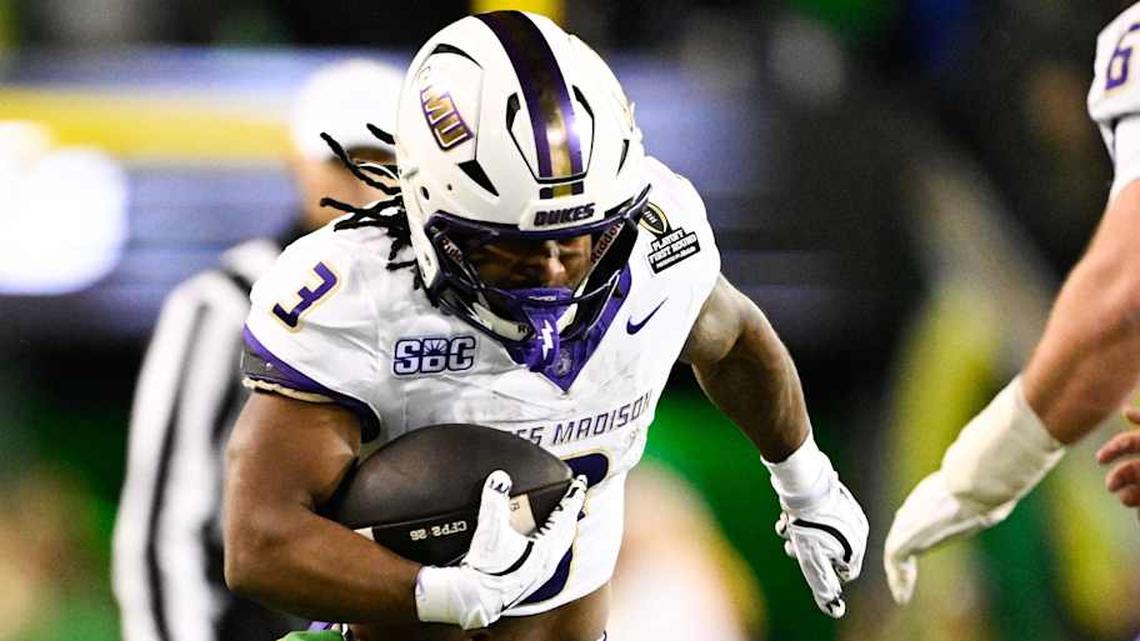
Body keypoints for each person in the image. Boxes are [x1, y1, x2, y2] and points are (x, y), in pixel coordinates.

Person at [223, 10, 869, 641]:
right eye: (515, 247)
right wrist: (439, 595)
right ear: (427, 212)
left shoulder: (658, 247)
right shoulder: (356, 295)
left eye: (579, 238)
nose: (555, 271)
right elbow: (259, 540)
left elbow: (732, 341)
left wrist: (807, 482)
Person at [112, 58, 403, 641]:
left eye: (384, 164)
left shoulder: (437, 305)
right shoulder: (225, 301)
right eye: (341, 161)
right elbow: (165, 525)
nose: (364, 182)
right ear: (297, 164)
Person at [883, 2, 1140, 605]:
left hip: (1095, 321)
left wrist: (972, 485)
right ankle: (934, 606)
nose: (1056, 112)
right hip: (1026, 286)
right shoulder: (987, 69)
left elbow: (1116, 299)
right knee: (959, 334)